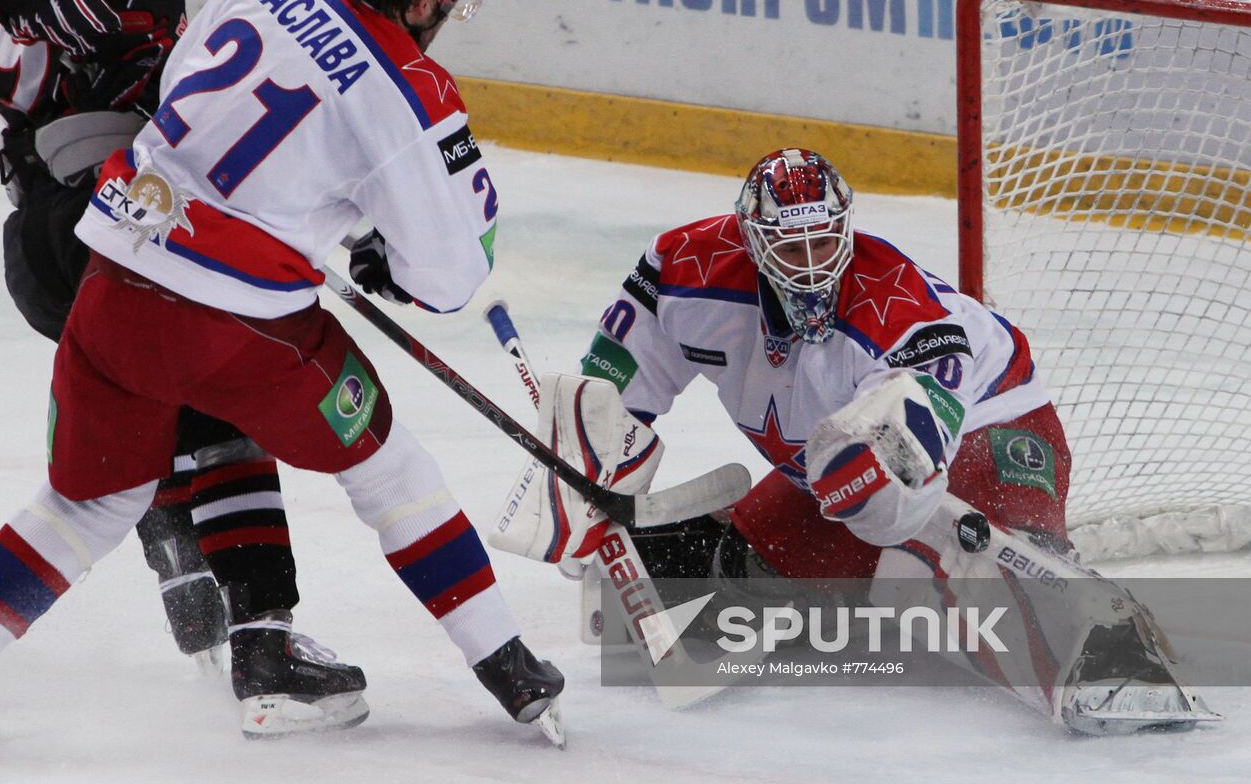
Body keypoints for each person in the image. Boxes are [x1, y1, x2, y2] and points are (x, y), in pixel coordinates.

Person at [0, 0, 564, 742]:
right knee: (390, 468)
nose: (448, 16)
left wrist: (311, 202)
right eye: (451, 0)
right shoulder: (412, 91)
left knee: (89, 500)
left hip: (114, 275)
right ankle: (509, 666)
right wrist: (375, 248)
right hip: (242, 329)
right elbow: (448, 275)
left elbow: (181, 93)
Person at [494, 147, 1212, 733]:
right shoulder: (683, 272)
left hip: (995, 430)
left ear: (847, 228)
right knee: (719, 585)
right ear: (750, 240)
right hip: (823, 469)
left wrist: (869, 493)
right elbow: (612, 400)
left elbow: (903, 481)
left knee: (939, 562)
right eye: (789, 243)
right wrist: (588, 469)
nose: (809, 263)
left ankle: (1107, 646)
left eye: (823, 240)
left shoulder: (901, 314)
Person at [0, 0, 313, 676]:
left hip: (42, 235)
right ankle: (263, 646)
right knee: (218, 396)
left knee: (143, 416)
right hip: (96, 215)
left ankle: (191, 608)